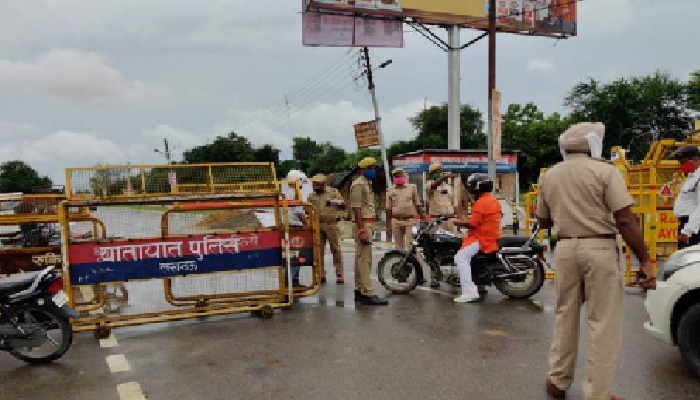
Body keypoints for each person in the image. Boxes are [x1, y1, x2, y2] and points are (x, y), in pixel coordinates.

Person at [536, 122, 656, 400]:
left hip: (565, 248)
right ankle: (598, 393)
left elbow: (543, 220)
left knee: (565, 314)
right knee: (603, 323)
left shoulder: (550, 175)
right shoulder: (605, 172)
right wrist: (645, 261)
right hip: (599, 247)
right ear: (593, 144)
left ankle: (558, 379)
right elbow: (625, 220)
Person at [452, 174, 502, 303]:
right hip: (490, 235)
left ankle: (469, 292)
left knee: (460, 257)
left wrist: (458, 222)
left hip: (482, 238)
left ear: (478, 187)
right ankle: (479, 284)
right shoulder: (493, 200)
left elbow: (473, 223)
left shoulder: (481, 203)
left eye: (472, 186)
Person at [350, 157, 388, 305]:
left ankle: (360, 290)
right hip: (363, 224)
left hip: (367, 223)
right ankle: (367, 292)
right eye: (371, 167)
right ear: (363, 169)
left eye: (374, 168)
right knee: (365, 260)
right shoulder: (358, 184)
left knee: (361, 259)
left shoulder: (367, 183)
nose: (373, 170)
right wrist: (361, 230)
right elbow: (357, 208)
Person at [308, 174, 345, 284]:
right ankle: (321, 274)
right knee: (319, 251)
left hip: (331, 224)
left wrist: (335, 202)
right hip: (317, 224)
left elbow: (343, 205)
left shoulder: (333, 192)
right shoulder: (311, 196)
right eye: (314, 184)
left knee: (336, 249)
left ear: (323, 184)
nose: (315, 187)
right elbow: (307, 210)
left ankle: (339, 273)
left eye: (317, 185)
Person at [385, 168, 424, 250]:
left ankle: (410, 262)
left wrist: (422, 217)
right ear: (394, 178)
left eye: (401, 176)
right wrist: (388, 225)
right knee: (398, 246)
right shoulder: (390, 190)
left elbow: (417, 204)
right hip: (396, 221)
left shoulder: (412, 188)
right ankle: (400, 262)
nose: (399, 178)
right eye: (396, 176)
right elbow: (388, 209)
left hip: (409, 220)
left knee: (410, 244)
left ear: (404, 176)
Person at [671, 145, 700, 249]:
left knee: (692, 261)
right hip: (687, 225)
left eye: (683, 162)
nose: (681, 166)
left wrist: (687, 231)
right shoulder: (692, 177)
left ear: (695, 159)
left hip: (694, 229)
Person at [284, 169, 310, 286]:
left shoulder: (283, 192)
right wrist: (307, 225)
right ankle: (294, 280)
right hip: (295, 227)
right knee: (296, 254)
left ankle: (287, 280)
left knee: (287, 254)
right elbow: (299, 212)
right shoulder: (294, 194)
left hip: (286, 226)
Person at [426, 162, 457, 233]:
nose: (440, 172)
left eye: (440, 171)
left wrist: (456, 217)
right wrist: (444, 177)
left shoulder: (449, 187)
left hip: (450, 219)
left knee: (452, 240)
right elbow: (434, 186)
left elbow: (454, 203)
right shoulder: (428, 184)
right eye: (437, 171)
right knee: (437, 241)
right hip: (437, 219)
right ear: (431, 174)